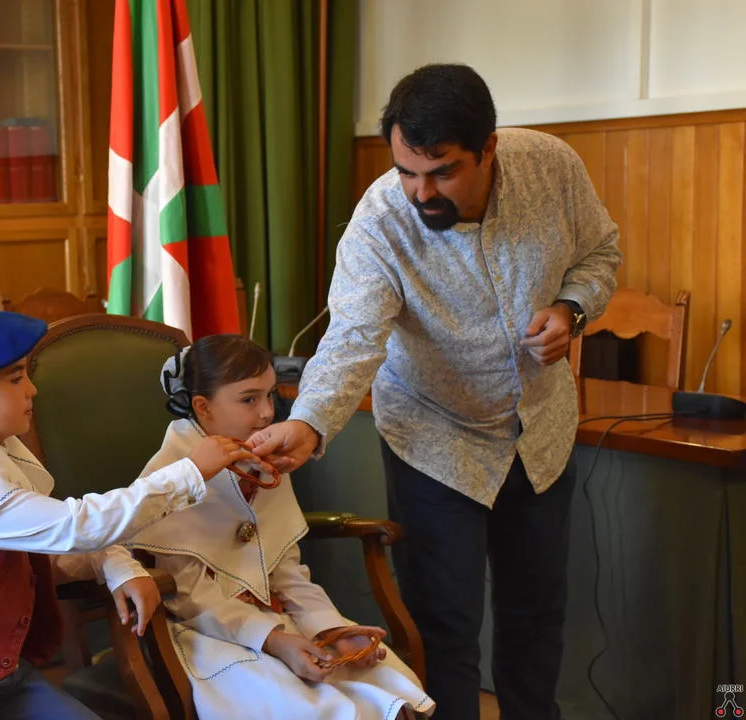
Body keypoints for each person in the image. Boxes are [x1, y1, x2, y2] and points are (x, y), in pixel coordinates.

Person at [248, 64, 621, 720]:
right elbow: (353, 337)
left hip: (540, 431)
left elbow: (600, 254)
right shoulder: (380, 223)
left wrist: (571, 309)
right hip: (435, 438)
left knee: (536, 614)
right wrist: (307, 423)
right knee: (444, 626)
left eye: (442, 172)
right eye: (406, 171)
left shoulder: (552, 166)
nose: (421, 192)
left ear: (488, 148)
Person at [0, 309, 260, 719]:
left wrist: (117, 566)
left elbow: (52, 543)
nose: (32, 389)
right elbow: (75, 527)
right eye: (16, 378)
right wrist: (189, 472)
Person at [121, 334, 434, 719]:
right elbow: (188, 597)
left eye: (270, 395)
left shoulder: (262, 461)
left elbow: (285, 572)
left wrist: (329, 630)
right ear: (203, 407)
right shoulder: (171, 478)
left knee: (386, 685)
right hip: (207, 633)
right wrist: (273, 641)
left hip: (276, 621)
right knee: (308, 706)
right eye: (249, 399)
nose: (268, 412)